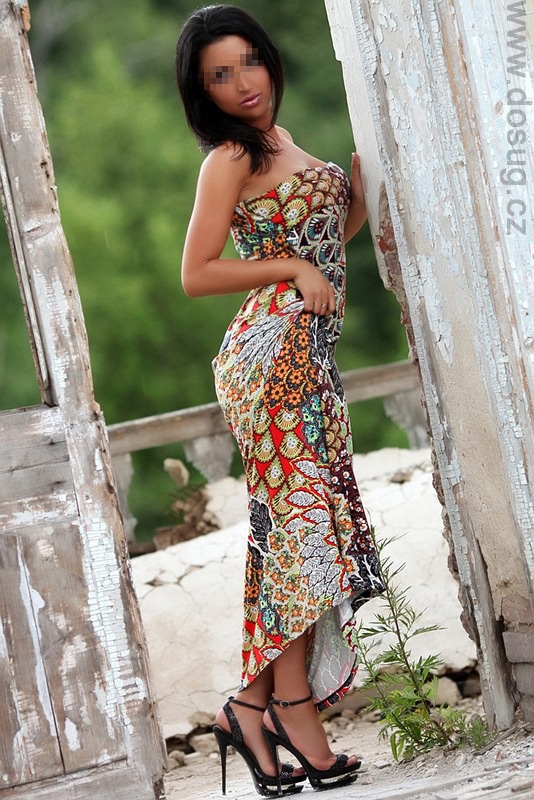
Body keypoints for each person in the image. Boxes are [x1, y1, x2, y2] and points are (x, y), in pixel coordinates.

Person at [175, 5, 384, 796]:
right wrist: (292, 271)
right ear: (203, 92)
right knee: (301, 539)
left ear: (270, 58)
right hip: (269, 361)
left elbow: (322, 251)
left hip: (310, 359)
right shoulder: (229, 156)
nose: (242, 83)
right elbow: (197, 272)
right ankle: (293, 715)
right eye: (219, 76)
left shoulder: (283, 142)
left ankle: (250, 709)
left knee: (298, 539)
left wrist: (356, 198)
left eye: (249, 61)